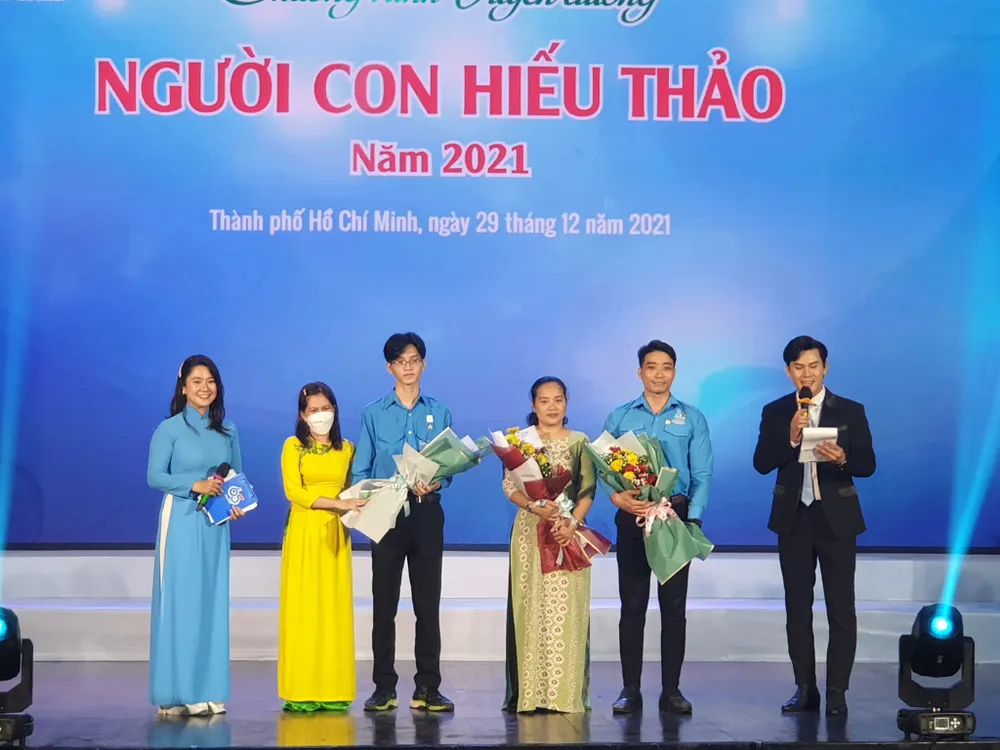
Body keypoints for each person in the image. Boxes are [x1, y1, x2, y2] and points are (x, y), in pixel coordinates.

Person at [752, 336, 876, 717]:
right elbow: (761, 463)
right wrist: (790, 438)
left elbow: (868, 464)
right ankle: (805, 689)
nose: (807, 374)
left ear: (825, 367)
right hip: (793, 519)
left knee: (841, 608)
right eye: (799, 368)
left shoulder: (850, 410)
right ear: (788, 372)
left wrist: (842, 459)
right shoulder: (776, 411)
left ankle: (837, 691)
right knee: (797, 607)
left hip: (837, 519)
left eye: (813, 366)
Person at [603, 340, 713, 715]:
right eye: (651, 367)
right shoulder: (620, 417)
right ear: (640, 372)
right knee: (632, 605)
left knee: (674, 607)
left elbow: (702, 472)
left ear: (675, 372)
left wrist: (692, 518)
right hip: (633, 516)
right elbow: (603, 468)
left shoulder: (692, 417)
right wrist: (618, 498)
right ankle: (630, 691)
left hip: (673, 516)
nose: (659, 374)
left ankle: (671, 691)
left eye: (666, 367)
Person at [354, 332, 455, 713]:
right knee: (385, 604)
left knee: (427, 604)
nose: (408, 367)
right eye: (400, 362)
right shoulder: (373, 413)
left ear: (423, 364)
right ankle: (384, 687)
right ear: (389, 368)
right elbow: (362, 467)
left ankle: (428, 686)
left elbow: (449, 466)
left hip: (427, 512)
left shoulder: (440, 412)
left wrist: (438, 481)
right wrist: (365, 500)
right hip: (387, 514)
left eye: (414, 360)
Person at [147, 354, 245, 717]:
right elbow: (155, 476)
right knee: (182, 602)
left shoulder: (228, 430)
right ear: (184, 387)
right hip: (182, 520)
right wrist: (195, 484)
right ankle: (177, 690)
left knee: (211, 602)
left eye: (211, 381)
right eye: (197, 381)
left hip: (215, 524)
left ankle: (207, 688)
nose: (205, 388)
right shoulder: (169, 429)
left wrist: (236, 503)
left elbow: (236, 476)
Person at [501, 377, 596, 714]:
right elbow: (509, 487)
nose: (552, 406)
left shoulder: (580, 441)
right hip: (530, 532)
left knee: (566, 611)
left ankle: (563, 695)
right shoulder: (519, 442)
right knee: (530, 608)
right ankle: (530, 694)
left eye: (558, 399)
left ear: (566, 402)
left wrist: (572, 524)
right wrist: (533, 506)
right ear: (533, 404)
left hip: (567, 533)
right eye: (544, 400)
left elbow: (587, 490)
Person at [278, 382, 368, 712]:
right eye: (313, 410)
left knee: (333, 608)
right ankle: (301, 690)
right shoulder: (293, 447)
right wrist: (336, 503)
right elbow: (294, 492)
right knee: (303, 609)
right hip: (303, 532)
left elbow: (356, 489)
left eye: (326, 408)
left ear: (335, 410)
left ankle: (333, 689)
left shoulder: (348, 449)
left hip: (335, 534)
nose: (321, 415)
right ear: (302, 416)